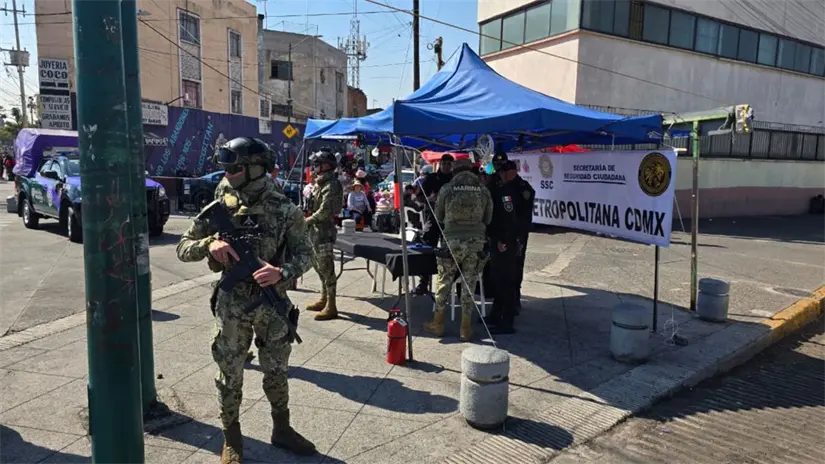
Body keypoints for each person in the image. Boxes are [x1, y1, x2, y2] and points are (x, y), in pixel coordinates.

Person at [176, 137, 317, 463]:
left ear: (256, 169)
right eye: (225, 167)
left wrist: (281, 272)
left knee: (277, 370)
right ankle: (232, 439)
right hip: (232, 306)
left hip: (272, 305)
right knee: (230, 373)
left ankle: (282, 429)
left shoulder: (285, 209)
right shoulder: (219, 206)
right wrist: (208, 245)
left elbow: (306, 254)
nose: (228, 173)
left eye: (235, 168)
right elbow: (184, 246)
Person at [423, 158, 492, 342]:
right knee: (468, 284)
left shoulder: (447, 189)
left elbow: (438, 216)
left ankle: (437, 323)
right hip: (475, 243)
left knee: (444, 281)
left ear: (455, 171)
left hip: (451, 241)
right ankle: (465, 328)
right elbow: (488, 218)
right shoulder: (483, 190)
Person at [484, 160, 527, 335]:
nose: (500, 175)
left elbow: (509, 220)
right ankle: (496, 315)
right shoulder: (502, 189)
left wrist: (503, 240)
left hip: (505, 243)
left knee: (505, 282)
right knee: (497, 280)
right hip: (498, 240)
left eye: (504, 171)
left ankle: (507, 321)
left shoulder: (507, 193)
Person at [304, 150, 344, 321]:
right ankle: (324, 298)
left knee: (327, 268)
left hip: (324, 230)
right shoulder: (319, 184)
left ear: (327, 165)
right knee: (318, 266)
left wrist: (305, 221)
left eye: (318, 164)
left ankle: (332, 305)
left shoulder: (332, 185)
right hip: (314, 230)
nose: (315, 167)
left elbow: (325, 211)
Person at [414, 154, 454, 295]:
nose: (446, 166)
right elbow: (418, 197)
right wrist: (429, 199)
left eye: (449, 164)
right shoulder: (430, 178)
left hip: (450, 221)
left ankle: (447, 283)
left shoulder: (455, 179)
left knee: (449, 252)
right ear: (439, 164)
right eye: (444, 163)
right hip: (433, 217)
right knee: (427, 249)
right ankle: (424, 282)